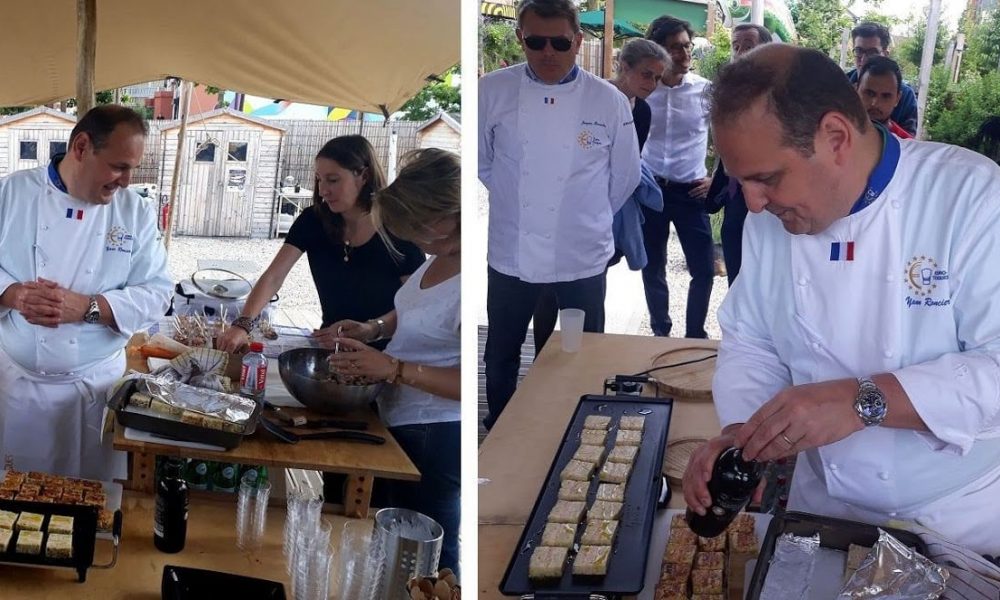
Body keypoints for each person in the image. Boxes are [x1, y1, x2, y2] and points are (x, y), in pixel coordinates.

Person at [683, 44, 1000, 554]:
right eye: (741, 181)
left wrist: (861, 400)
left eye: (765, 178)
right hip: (824, 513)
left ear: (835, 137)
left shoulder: (972, 197)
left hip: (959, 519)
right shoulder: (774, 219)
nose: (752, 203)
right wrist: (745, 434)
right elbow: (753, 340)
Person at [479, 0, 640, 429]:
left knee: (583, 349)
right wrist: (517, 203)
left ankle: (579, 425)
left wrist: (580, 214)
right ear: (520, 39)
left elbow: (624, 175)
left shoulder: (609, 100)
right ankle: (500, 426)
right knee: (501, 349)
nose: (547, 51)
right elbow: (485, 164)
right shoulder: (491, 91)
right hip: (512, 250)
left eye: (559, 42)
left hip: (581, 252)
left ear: (578, 41)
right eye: (535, 41)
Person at [0, 104, 172, 481]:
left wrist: (89, 307)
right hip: (21, 392)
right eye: (119, 166)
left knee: (94, 506)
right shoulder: (12, 194)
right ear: (81, 147)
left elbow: (158, 292)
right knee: (22, 503)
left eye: (132, 169)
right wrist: (12, 294)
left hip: (96, 389)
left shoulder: (134, 212)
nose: (126, 180)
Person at [326, 148, 461, 573]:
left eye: (418, 229)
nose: (413, 239)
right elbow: (414, 310)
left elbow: (465, 385)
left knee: (433, 558)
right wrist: (374, 328)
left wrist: (394, 370)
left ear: (447, 216)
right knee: (392, 546)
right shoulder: (440, 257)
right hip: (402, 419)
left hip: (437, 435)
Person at [216, 135, 424, 353]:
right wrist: (243, 324)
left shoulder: (397, 228)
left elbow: (418, 304)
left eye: (333, 180)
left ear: (364, 175)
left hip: (388, 353)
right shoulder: (314, 220)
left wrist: (372, 328)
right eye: (319, 179)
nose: (323, 190)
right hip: (330, 348)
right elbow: (273, 277)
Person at [531, 38, 668, 355]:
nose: (652, 84)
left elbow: (627, 167)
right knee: (549, 286)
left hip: (610, 209)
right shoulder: (590, 99)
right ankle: (540, 359)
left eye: (658, 78)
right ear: (624, 67)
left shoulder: (643, 111)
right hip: (566, 206)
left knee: (592, 287)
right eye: (647, 74)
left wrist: (604, 211)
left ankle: (585, 360)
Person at [641, 15, 714, 338]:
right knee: (652, 266)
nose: (685, 55)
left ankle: (695, 333)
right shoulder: (643, 91)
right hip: (652, 190)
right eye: (676, 49)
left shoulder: (706, 91)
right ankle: (660, 330)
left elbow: (728, 138)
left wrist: (717, 178)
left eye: (687, 47)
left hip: (692, 191)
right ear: (659, 52)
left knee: (705, 270)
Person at [706, 23, 773, 285]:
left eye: (748, 46)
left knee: (766, 273)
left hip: (773, 198)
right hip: (737, 196)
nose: (740, 52)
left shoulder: (783, 93)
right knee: (736, 269)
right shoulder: (726, 92)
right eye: (736, 46)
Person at [846, 22, 917, 136]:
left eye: (872, 53)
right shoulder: (840, 86)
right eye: (859, 51)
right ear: (856, 89)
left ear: (886, 54)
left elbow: (908, 145)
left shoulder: (906, 96)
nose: (863, 60)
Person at [856, 56, 913, 139]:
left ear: (897, 99)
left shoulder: (906, 146)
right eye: (869, 93)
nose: (875, 103)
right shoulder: (835, 132)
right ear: (856, 91)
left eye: (886, 96)